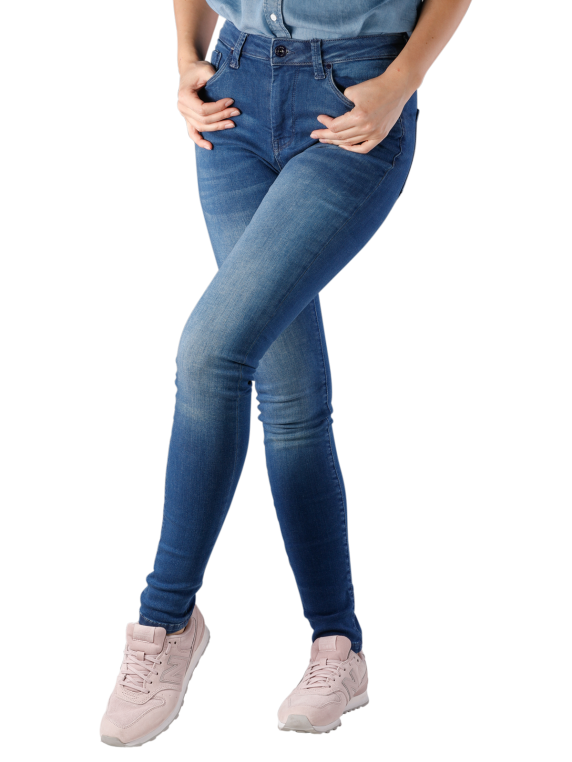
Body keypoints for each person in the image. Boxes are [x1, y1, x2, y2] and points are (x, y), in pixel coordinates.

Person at [99, 0, 472, 745]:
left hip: (351, 99)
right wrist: (186, 60)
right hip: (231, 98)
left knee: (211, 352)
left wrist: (403, 81)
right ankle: (339, 648)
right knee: (292, 397)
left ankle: (165, 620)